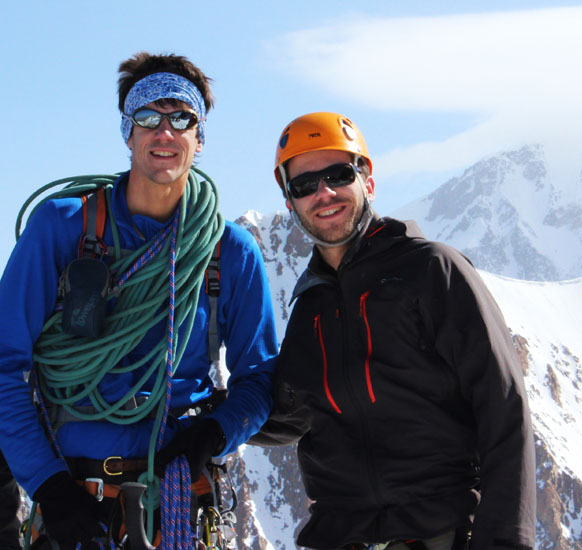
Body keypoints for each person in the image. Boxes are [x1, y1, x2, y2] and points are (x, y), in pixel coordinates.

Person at [0, 52, 278, 549]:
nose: (164, 132)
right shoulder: (63, 229)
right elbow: (4, 366)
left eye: (182, 118)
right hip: (71, 502)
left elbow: (260, 378)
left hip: (174, 506)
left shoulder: (228, 252)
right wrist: (48, 486)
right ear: (128, 132)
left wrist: (213, 435)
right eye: (148, 117)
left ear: (200, 136)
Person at [259, 112, 536, 550]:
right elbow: (285, 414)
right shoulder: (309, 310)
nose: (323, 193)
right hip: (340, 536)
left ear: (367, 180)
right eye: (304, 185)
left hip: (438, 532)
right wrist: (198, 420)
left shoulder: (431, 270)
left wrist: (504, 539)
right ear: (290, 202)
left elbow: (502, 406)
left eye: (338, 174)